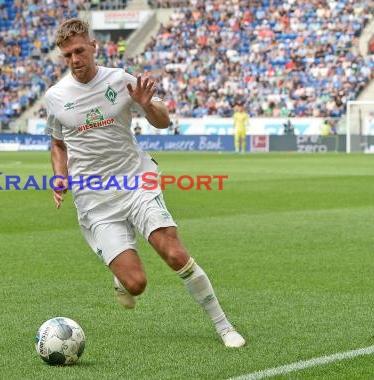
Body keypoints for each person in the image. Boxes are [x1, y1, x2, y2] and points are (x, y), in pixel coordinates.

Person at [45, 18, 245, 348]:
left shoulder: (121, 80)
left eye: (79, 51)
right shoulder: (55, 97)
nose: (74, 60)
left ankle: (224, 327)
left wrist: (146, 104)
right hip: (94, 198)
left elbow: (163, 121)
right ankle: (121, 276)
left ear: (94, 47)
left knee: (174, 252)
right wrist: (59, 175)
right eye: (66, 55)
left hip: (136, 180)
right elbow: (57, 143)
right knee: (136, 284)